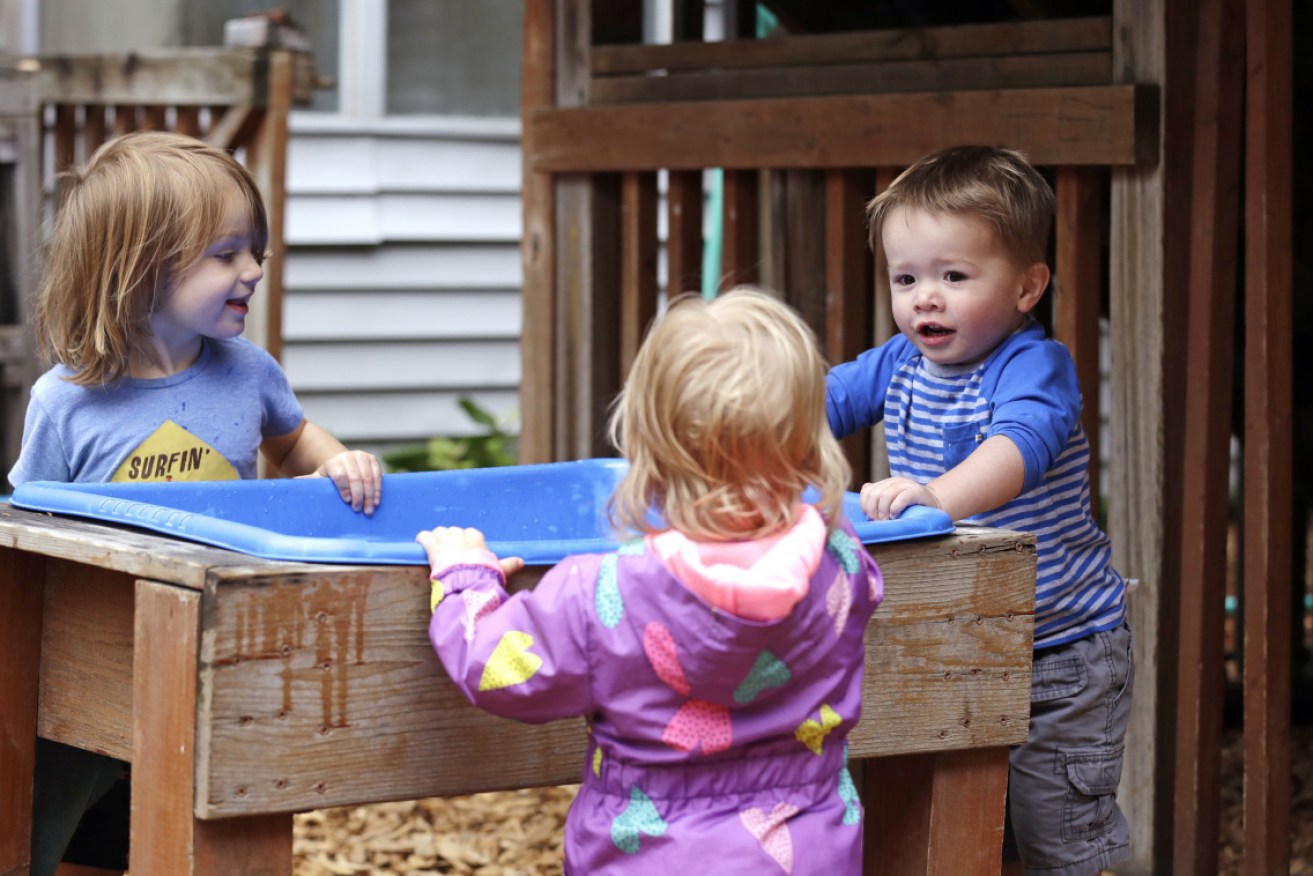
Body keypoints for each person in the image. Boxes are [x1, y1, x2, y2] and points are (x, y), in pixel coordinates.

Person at [7, 130, 383, 876]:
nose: (253, 271)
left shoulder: (248, 373)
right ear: (139, 268)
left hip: (218, 644)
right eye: (226, 254)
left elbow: (292, 437)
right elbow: (25, 532)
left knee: (199, 823)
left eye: (255, 252)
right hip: (97, 657)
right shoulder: (67, 403)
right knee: (57, 830)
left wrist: (336, 462)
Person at [417, 288, 883, 875]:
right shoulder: (844, 563)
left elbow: (496, 666)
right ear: (808, 446)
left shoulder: (605, 592)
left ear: (651, 453)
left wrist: (466, 579)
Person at [825, 144, 1132, 876]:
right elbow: (818, 403)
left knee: (1056, 835)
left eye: (953, 276)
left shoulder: (1033, 366)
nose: (923, 297)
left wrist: (936, 496)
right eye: (906, 278)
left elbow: (1015, 450)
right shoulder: (897, 363)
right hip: (958, 632)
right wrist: (751, 442)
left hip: (1056, 651)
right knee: (957, 827)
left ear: (1027, 286)